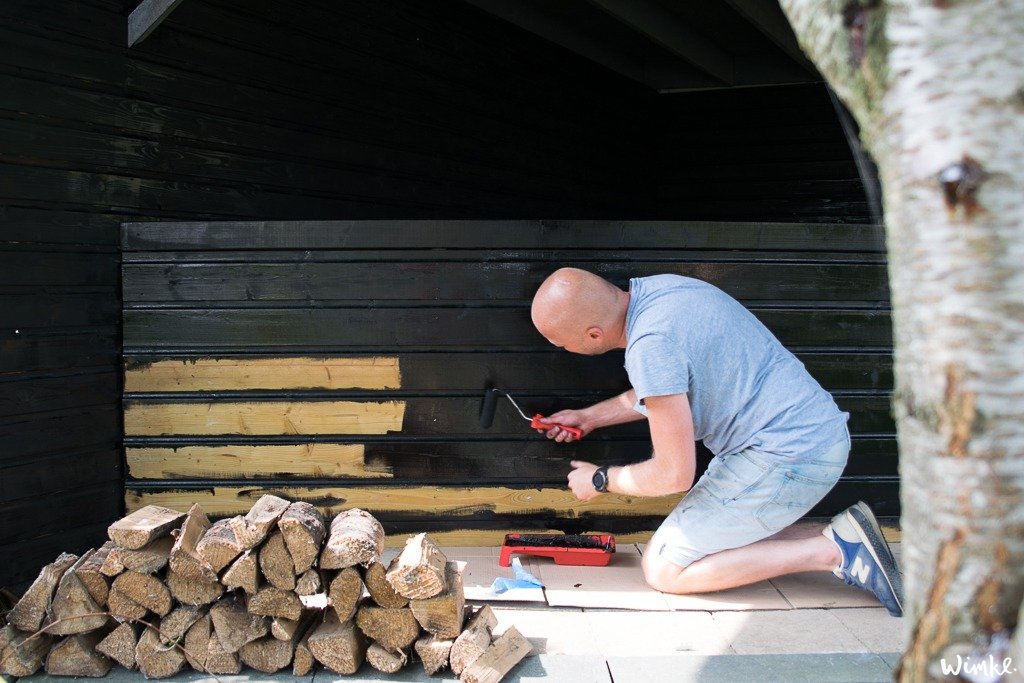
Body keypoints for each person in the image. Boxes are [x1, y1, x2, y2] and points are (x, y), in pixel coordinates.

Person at [530, 267, 903, 616]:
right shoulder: (666, 291)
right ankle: (848, 532)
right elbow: (665, 385)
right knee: (709, 539)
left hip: (787, 458)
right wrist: (589, 417)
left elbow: (673, 475)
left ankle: (834, 552)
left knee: (664, 568)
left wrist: (600, 480)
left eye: (562, 344)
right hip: (814, 438)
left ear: (594, 334)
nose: (561, 350)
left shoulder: (650, 346)